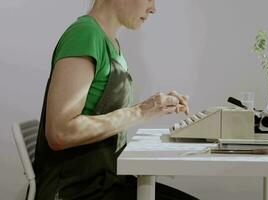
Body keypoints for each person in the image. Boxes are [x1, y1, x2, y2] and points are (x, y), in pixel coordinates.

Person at [33, 0, 198, 199]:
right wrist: (141, 111)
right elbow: (61, 132)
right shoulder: (85, 35)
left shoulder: (110, 43)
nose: (153, 8)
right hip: (77, 191)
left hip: (107, 182)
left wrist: (152, 107)